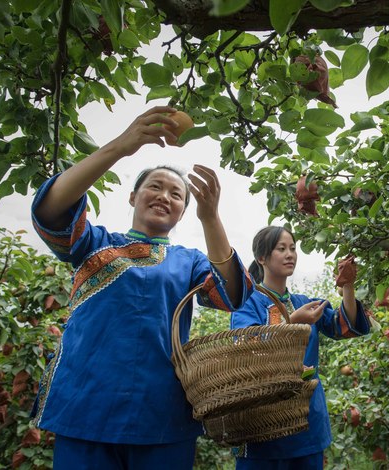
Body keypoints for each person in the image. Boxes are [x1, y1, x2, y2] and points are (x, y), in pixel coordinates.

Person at [30, 106, 252, 469]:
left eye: (177, 194)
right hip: (86, 405)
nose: (165, 195)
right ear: (133, 197)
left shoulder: (190, 260)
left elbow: (232, 295)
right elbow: (51, 211)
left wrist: (211, 216)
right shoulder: (96, 245)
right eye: (154, 186)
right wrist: (121, 146)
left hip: (161, 414)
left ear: (182, 213)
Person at [231, 226, 370, 469]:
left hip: (307, 421)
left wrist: (347, 285)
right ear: (261, 258)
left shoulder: (303, 303)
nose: (290, 254)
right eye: (281, 249)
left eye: (293, 249)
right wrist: (293, 322)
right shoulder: (248, 303)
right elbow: (246, 350)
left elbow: (343, 327)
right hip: (262, 422)